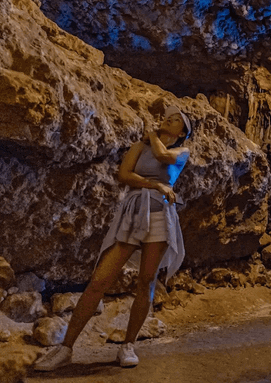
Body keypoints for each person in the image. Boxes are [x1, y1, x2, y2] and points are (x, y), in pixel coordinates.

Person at [34, 105, 192, 371]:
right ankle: (65, 348)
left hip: (160, 217)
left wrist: (151, 134)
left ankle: (128, 345)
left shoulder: (182, 151)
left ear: (182, 133)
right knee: (99, 281)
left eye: (176, 119)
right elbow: (124, 175)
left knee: (146, 281)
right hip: (133, 213)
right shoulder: (139, 147)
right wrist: (155, 184)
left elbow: (163, 156)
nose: (168, 118)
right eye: (167, 116)